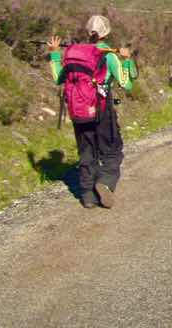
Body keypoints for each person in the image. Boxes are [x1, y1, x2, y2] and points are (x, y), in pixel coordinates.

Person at [48, 15, 137, 209]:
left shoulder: (74, 53)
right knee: (112, 151)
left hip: (79, 111)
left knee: (86, 151)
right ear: (107, 32)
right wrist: (128, 61)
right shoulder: (109, 55)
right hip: (102, 109)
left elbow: (58, 78)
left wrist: (55, 54)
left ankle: (87, 195)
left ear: (88, 32)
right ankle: (104, 182)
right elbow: (126, 84)